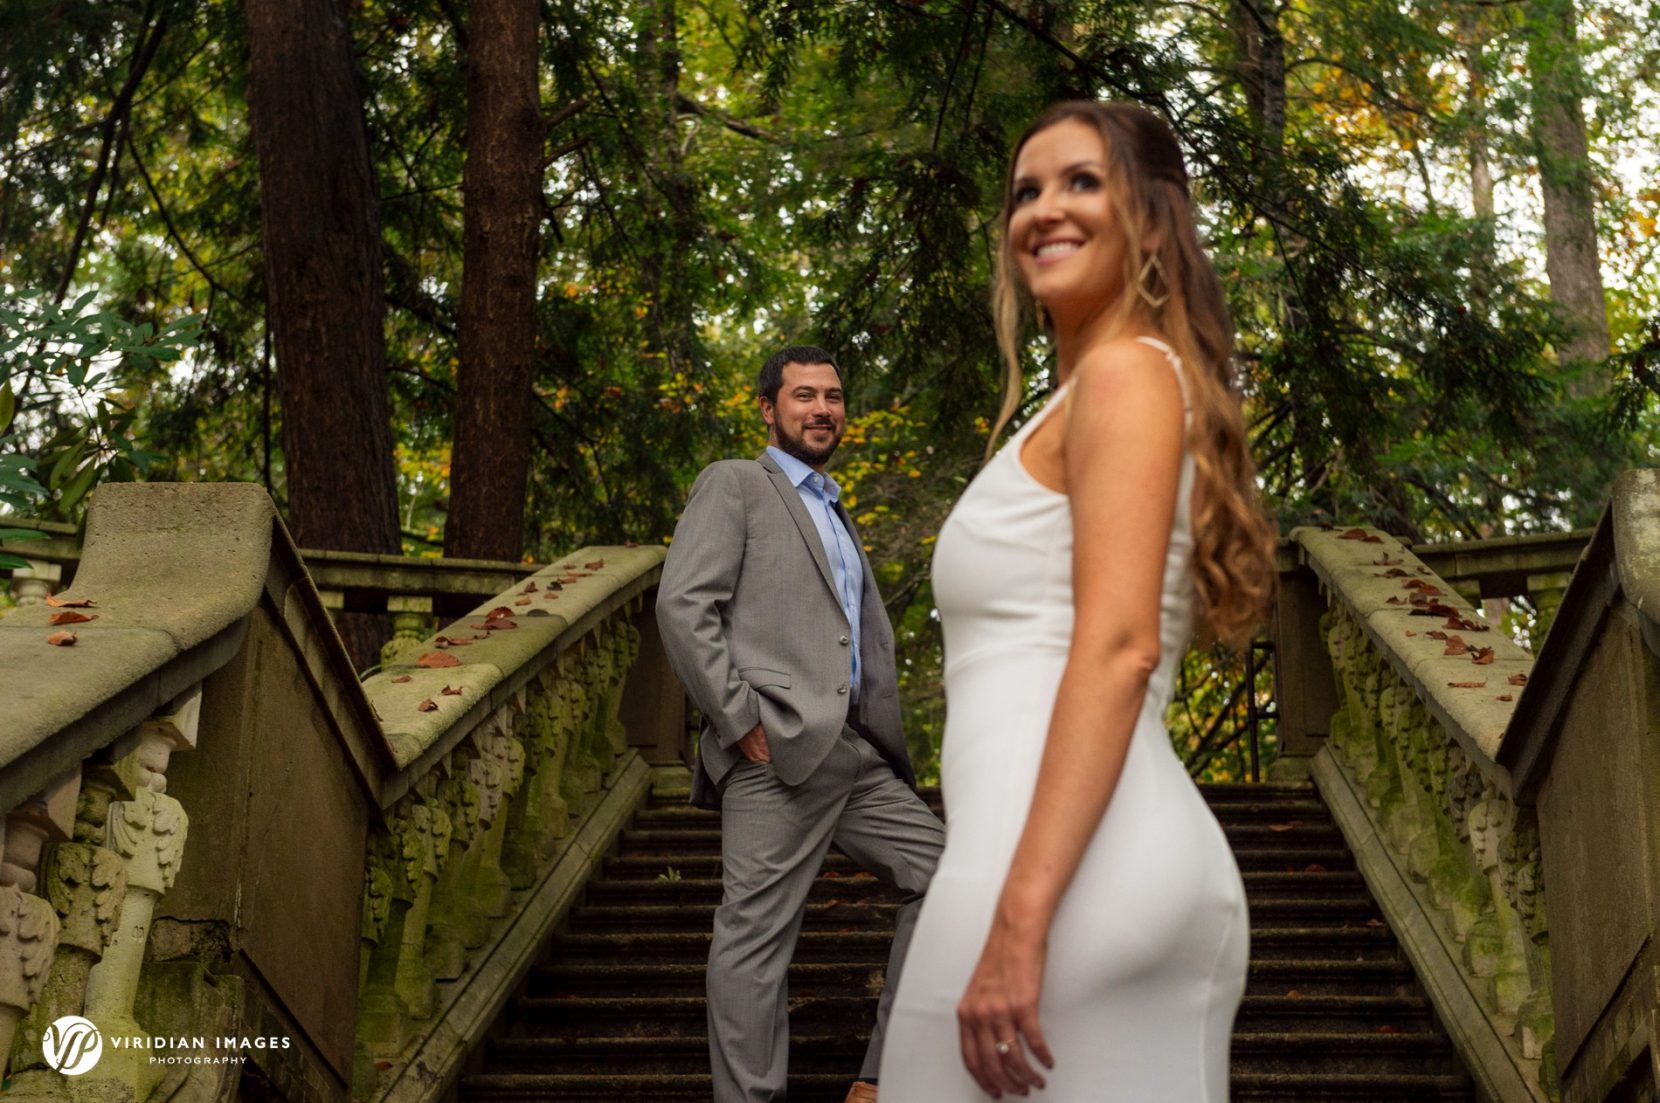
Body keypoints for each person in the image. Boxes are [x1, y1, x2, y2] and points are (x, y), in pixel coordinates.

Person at [877, 101, 1278, 1101]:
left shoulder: (1123, 378)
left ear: (1150, 222)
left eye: (1080, 181)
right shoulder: (1101, 389)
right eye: (1025, 191)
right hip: (1070, 863)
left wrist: (1020, 917)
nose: (1043, 210)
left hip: (1060, 875)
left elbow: (1116, 647)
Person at [656, 345, 947, 1103]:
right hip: (773, 750)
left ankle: (882, 1077)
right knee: (753, 942)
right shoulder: (737, 484)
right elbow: (683, 605)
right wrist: (738, 718)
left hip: (855, 754)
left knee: (951, 882)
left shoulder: (833, 505)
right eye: (804, 395)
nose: (822, 408)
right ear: (768, 408)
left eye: (834, 396)